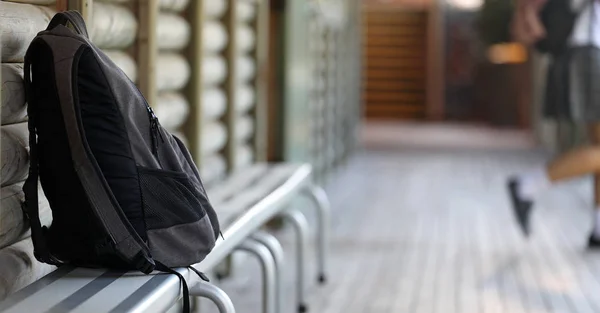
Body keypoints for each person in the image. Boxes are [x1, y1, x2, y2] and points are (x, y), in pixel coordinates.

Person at [508, 0, 600, 246]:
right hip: (591, 56)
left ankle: (599, 228)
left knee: (598, 146)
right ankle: (528, 185)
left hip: (586, 55)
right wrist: (527, 10)